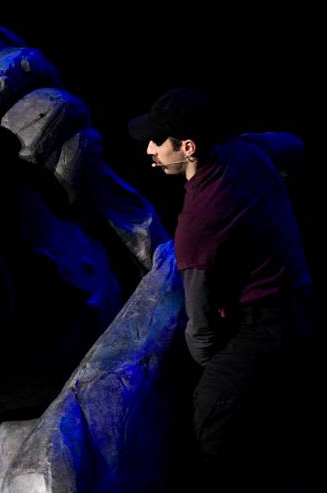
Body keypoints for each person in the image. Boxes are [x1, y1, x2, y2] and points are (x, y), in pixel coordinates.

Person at [128, 88, 320, 492]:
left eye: (158, 142)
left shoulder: (198, 219)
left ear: (189, 147)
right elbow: (294, 145)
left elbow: (200, 331)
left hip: (267, 328)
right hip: (302, 305)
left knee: (212, 415)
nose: (149, 149)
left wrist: (215, 369)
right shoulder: (248, 150)